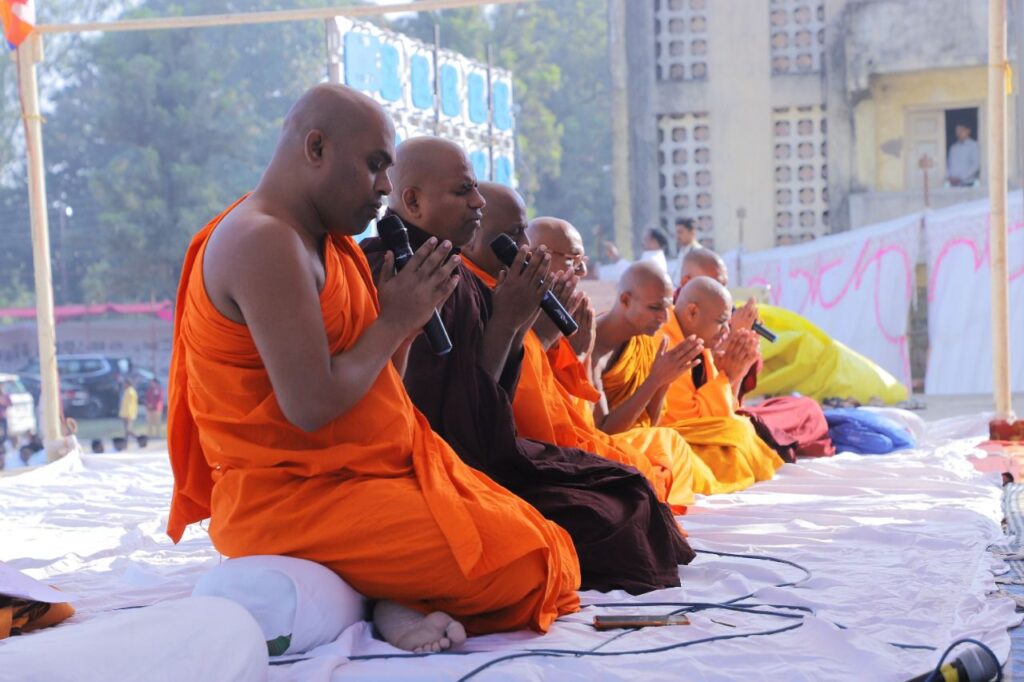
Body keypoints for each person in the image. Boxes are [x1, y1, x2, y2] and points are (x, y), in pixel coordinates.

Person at [166, 85, 581, 653]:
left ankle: (384, 594)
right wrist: (394, 320)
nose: (385, 186)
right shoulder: (264, 241)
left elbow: (379, 387)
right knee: (530, 566)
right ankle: (383, 598)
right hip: (290, 497)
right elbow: (310, 406)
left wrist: (403, 329)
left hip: (360, 472)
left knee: (546, 539)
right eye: (375, 165)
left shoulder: (325, 243)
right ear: (316, 148)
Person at [363, 137, 694, 595]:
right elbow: (439, 417)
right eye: (463, 191)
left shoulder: (456, 274)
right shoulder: (388, 269)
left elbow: (488, 398)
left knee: (629, 489)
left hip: (485, 452)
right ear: (413, 201)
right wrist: (510, 324)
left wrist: (517, 324)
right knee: (596, 522)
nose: (477, 202)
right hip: (439, 466)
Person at [524, 216, 722, 510]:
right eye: (655, 308)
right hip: (572, 448)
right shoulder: (587, 335)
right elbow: (602, 430)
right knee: (665, 452)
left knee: (673, 444)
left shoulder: (646, 342)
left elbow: (650, 421)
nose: (664, 318)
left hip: (608, 443)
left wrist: (662, 382)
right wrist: (655, 380)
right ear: (626, 300)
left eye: (583, 261)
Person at [676, 248, 834, 461]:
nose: (722, 292)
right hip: (704, 426)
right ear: (686, 282)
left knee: (806, 407)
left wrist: (744, 347)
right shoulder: (677, 323)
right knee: (797, 416)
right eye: (715, 284)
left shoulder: (714, 314)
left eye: (724, 285)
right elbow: (698, 415)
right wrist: (731, 339)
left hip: (723, 411)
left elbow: (734, 394)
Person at [653, 277, 786, 488]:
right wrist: (728, 376)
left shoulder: (698, 340)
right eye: (721, 321)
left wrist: (737, 373)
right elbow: (688, 421)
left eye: (728, 322)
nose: (726, 330)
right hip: (668, 441)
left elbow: (728, 410)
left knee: (742, 428)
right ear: (692, 312)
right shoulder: (667, 344)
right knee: (738, 435)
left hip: (691, 436)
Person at [669, 217, 702, 285]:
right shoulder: (682, 251)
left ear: (692, 232)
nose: (677, 236)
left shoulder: (697, 253)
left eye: (680, 232)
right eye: (676, 232)